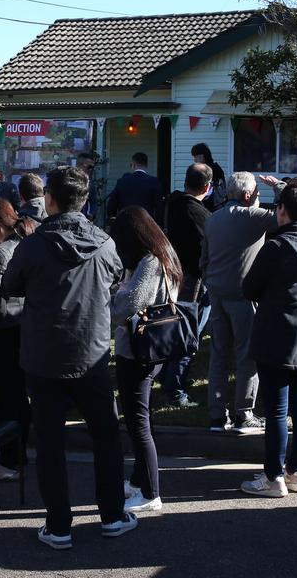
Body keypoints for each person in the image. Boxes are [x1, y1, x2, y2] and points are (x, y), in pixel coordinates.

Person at [1, 166, 136, 549]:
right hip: (90, 352)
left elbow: (11, 284)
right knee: (106, 437)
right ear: (85, 199)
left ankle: (59, 525)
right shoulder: (104, 243)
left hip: (44, 356)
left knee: (49, 441)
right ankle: (111, 515)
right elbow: (114, 278)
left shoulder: (33, 244)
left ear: (50, 199)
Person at [238, 184, 297, 498]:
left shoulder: (275, 247)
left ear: (283, 211)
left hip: (275, 331)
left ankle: (274, 476)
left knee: (277, 409)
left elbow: (249, 288)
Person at [109, 206, 182, 513]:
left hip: (139, 351)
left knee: (138, 423)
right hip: (153, 346)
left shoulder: (149, 262)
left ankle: (151, 492)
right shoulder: (163, 255)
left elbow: (131, 302)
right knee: (141, 418)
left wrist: (113, 295)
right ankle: (139, 481)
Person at [201, 172, 276, 434]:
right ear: (248, 195)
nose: (258, 195)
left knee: (219, 355)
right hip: (244, 296)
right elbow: (287, 213)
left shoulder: (213, 219)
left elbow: (204, 258)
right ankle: (244, 413)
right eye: (256, 192)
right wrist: (276, 186)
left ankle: (216, 415)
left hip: (217, 292)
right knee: (247, 355)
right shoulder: (252, 216)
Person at [0, 200, 35, 481]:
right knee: (19, 396)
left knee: (4, 398)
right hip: (23, 325)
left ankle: (11, 458)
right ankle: (21, 452)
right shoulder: (26, 243)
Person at [159, 163, 212, 408]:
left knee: (172, 330)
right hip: (194, 281)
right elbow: (207, 250)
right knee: (188, 336)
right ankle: (175, 389)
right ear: (207, 186)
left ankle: (167, 376)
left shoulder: (170, 204)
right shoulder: (200, 215)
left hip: (171, 275)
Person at [105, 152, 161, 220]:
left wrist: (112, 218)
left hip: (126, 222)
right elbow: (159, 207)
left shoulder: (122, 181)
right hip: (146, 224)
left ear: (133, 164)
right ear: (146, 165)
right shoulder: (154, 182)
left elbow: (112, 204)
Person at [191, 142, 227, 211]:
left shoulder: (207, 170)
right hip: (220, 206)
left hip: (211, 207)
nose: (194, 160)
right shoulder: (216, 167)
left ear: (202, 156)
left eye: (196, 157)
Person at [78, 152, 101, 222]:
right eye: (89, 167)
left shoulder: (90, 183)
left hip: (83, 220)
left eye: (93, 167)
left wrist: (91, 214)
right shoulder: (68, 180)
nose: (91, 169)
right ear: (80, 165)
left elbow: (94, 202)